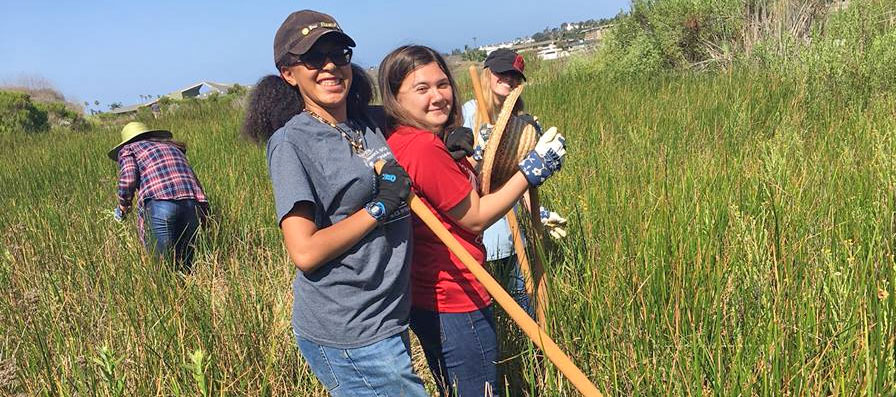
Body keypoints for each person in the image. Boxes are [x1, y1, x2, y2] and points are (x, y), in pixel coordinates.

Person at [241, 10, 426, 397]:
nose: (329, 66)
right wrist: (380, 207)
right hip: (349, 330)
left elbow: (425, 118)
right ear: (289, 73)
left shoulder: (366, 123)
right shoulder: (292, 143)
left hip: (388, 316)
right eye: (313, 58)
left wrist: (451, 141)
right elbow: (305, 251)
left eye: (338, 53)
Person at [378, 44, 567, 397]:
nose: (438, 96)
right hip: (455, 294)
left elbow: (455, 198)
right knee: (478, 390)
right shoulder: (422, 146)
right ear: (395, 97)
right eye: (422, 89)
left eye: (442, 84)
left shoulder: (407, 140)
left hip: (427, 294)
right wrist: (532, 171)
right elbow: (475, 217)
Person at [462, 48, 568, 316]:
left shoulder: (520, 124)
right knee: (485, 309)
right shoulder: (469, 113)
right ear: (488, 74)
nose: (508, 79)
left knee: (525, 298)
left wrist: (538, 213)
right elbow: (459, 175)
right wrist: (478, 154)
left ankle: (536, 355)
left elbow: (519, 178)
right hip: (480, 232)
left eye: (514, 76)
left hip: (511, 233)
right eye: (502, 73)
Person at [109, 121, 208, 272]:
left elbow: (128, 179)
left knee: (163, 268)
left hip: (161, 204)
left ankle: (169, 294)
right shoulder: (173, 147)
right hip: (191, 203)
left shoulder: (129, 149)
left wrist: (123, 206)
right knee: (186, 265)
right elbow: (195, 180)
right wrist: (205, 211)